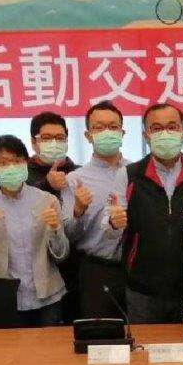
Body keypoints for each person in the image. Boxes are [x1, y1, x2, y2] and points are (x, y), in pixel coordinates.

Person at [106, 103, 183, 324]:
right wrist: (114, 223)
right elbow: (111, 230)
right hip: (142, 289)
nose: (165, 133)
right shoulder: (129, 176)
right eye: (157, 128)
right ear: (146, 135)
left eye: (172, 127)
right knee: (145, 344)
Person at [0, 136, 69, 327]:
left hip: (47, 297)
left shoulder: (47, 201)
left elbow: (62, 255)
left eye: (17, 161)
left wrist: (56, 229)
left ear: (26, 163)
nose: (11, 167)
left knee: (51, 346)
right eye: (3, 163)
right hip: (5, 298)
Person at [61, 101, 128, 320]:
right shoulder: (75, 179)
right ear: (88, 135)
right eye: (99, 128)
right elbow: (69, 235)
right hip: (96, 269)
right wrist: (78, 210)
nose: (107, 132)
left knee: (141, 333)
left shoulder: (136, 173)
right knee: (100, 334)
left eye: (113, 127)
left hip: (136, 269)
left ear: (122, 132)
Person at [27, 111, 81, 322]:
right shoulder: (21, 174)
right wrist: (47, 185)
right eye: (47, 138)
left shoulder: (79, 173)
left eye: (60, 138)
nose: (54, 143)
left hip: (76, 269)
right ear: (34, 142)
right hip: (37, 272)